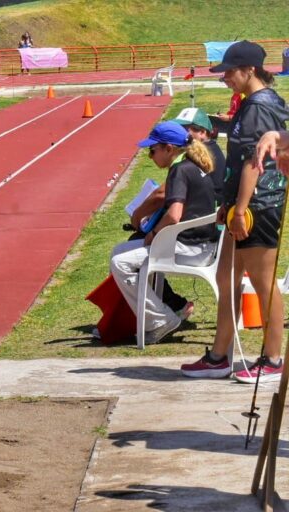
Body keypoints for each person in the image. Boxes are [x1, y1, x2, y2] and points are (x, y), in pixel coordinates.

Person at [181, 41, 289, 382]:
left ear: (250, 70)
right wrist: (228, 206)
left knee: (262, 282)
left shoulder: (262, 106)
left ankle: (272, 358)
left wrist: (240, 209)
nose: (224, 78)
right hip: (240, 207)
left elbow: (254, 163)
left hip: (259, 205)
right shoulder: (249, 104)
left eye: (229, 72)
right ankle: (219, 356)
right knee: (225, 276)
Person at [110, 121, 217, 344]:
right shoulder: (193, 165)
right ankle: (160, 313)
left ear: (169, 148)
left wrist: (153, 235)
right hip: (200, 245)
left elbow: (174, 215)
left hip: (190, 248)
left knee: (120, 262)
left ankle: (160, 320)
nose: (150, 156)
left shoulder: (180, 170)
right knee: (119, 251)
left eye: (153, 150)